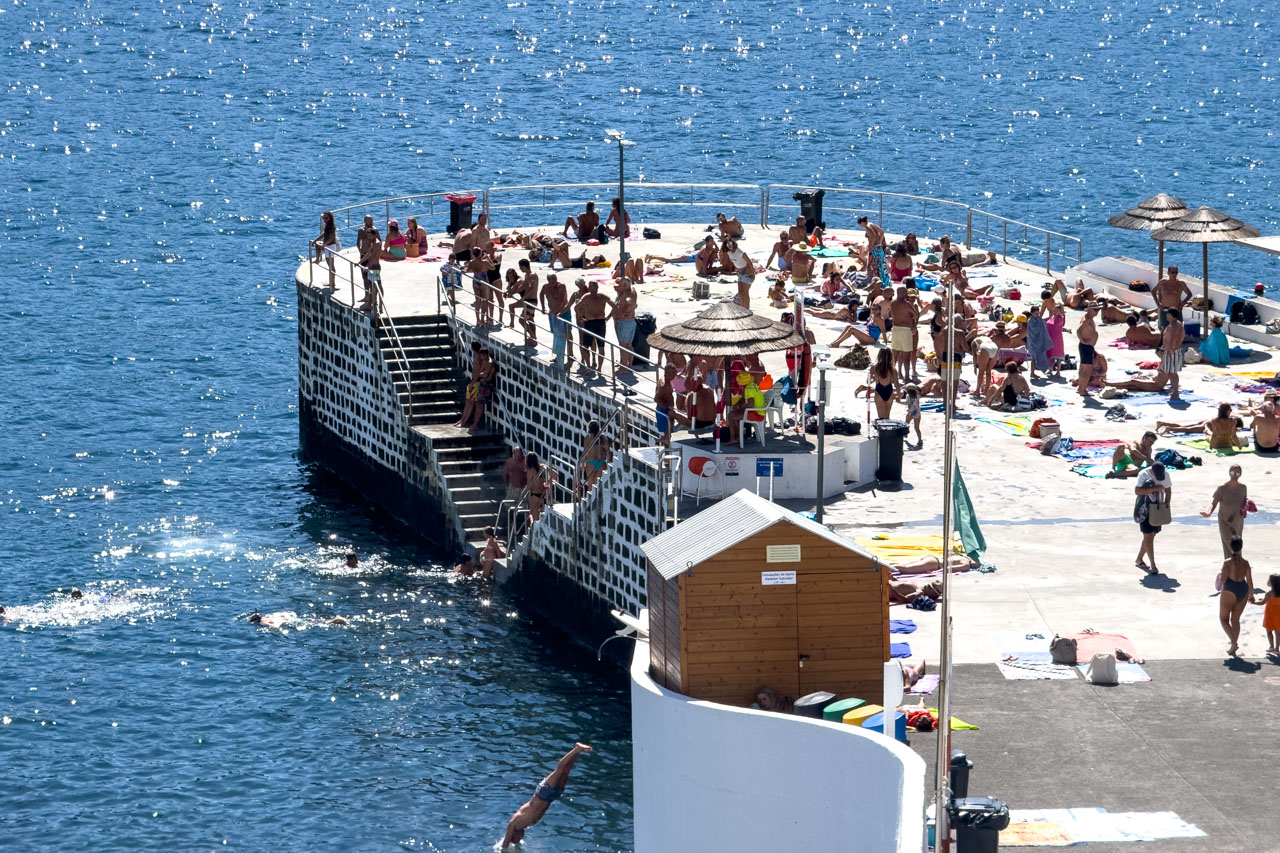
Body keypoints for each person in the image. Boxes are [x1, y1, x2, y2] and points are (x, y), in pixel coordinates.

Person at [501, 742, 593, 849]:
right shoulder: (525, 825)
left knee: (559, 770)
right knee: (566, 771)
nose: (521, 839)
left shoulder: (514, 823)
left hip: (542, 793)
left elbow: (505, 842)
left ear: (514, 835)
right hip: (551, 797)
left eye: (517, 840)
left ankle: (577, 748)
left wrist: (505, 849)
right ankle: (578, 751)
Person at [1218, 538, 1256, 657]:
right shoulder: (1246, 563)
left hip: (1230, 589)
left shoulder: (1227, 562)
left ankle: (1234, 643)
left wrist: (1219, 577)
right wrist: (1252, 595)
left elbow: (1223, 579)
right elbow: (1249, 581)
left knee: (1224, 619)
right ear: (1241, 547)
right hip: (1243, 590)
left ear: (1230, 547)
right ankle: (1233, 645)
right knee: (1235, 620)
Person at [1133, 461, 1172, 575]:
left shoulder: (1166, 475)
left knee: (1151, 536)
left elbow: (1168, 491)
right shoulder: (1144, 474)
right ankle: (1153, 564)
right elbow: (1137, 491)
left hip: (1158, 507)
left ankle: (1139, 559)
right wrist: (1154, 489)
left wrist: (1166, 505)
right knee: (1148, 536)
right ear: (1152, 470)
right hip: (1144, 508)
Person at [1201, 465, 1247, 558]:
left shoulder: (1243, 488)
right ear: (1229, 473)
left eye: (1237, 473)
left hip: (1238, 521)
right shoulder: (1222, 488)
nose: (1234, 475)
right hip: (1224, 521)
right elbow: (1213, 503)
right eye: (1232, 472)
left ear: (1240, 474)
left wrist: (1247, 507)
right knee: (1229, 545)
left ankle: (1239, 566)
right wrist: (1209, 512)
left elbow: (1244, 502)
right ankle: (1229, 567)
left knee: (1237, 546)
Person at [570, 280, 616, 372]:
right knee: (595, 346)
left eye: (592, 287)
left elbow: (576, 308)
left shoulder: (588, 297)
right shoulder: (601, 296)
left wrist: (581, 318)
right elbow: (615, 307)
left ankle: (592, 367)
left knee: (593, 346)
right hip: (598, 322)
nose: (591, 288)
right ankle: (594, 367)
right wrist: (608, 317)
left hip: (593, 322)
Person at [541, 273, 572, 370]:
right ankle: (558, 354)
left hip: (563, 313)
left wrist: (556, 312)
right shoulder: (545, 287)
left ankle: (570, 354)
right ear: (547, 279)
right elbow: (541, 294)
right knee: (556, 333)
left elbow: (564, 301)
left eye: (554, 278)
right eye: (551, 279)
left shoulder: (561, 286)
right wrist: (543, 307)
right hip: (553, 314)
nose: (553, 281)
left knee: (568, 334)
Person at [888, 285, 918, 379]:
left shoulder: (893, 303)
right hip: (905, 330)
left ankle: (891, 375)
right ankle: (907, 376)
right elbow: (915, 314)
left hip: (895, 328)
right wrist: (911, 318)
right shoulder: (907, 304)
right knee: (906, 354)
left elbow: (891, 315)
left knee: (895, 354)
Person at [1154, 265, 1191, 331]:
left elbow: (1189, 294)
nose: (1174, 274)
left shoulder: (1181, 284)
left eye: (1176, 272)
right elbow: (1153, 292)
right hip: (1165, 308)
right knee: (1164, 329)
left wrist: (1182, 304)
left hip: (1176, 309)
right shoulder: (1163, 282)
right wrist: (1158, 305)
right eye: (1172, 272)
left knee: (1178, 329)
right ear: (1168, 273)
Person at [857, 215, 891, 288]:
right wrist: (880, 242)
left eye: (860, 224)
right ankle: (885, 283)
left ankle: (874, 283)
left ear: (862, 222)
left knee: (873, 267)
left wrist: (871, 246)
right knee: (881, 266)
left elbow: (873, 236)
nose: (860, 225)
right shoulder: (871, 224)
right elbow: (882, 232)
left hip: (875, 249)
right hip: (879, 247)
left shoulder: (867, 227)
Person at [579, 420, 608, 496]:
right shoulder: (604, 438)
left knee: (590, 486)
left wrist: (582, 463)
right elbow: (608, 453)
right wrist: (608, 462)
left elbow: (585, 452)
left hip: (590, 463)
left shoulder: (587, 438)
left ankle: (590, 503)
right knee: (598, 485)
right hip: (601, 462)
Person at [724, 239, 755, 308]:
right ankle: (742, 309)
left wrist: (753, 274)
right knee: (740, 293)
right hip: (740, 273)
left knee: (745, 293)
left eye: (730, 244)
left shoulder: (740, 252)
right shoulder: (729, 253)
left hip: (747, 273)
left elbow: (749, 262)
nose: (730, 246)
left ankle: (747, 309)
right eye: (728, 245)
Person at [312, 210, 340, 286]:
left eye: (326, 218)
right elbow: (324, 234)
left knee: (331, 265)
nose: (325, 220)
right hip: (327, 245)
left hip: (330, 246)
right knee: (317, 244)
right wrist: (315, 241)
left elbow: (331, 238)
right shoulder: (327, 225)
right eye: (324, 218)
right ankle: (318, 259)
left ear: (330, 218)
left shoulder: (331, 226)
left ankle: (332, 282)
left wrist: (324, 245)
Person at [868, 348, 897, 420]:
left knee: (881, 418)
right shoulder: (893, 369)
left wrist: (874, 378)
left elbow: (868, 381)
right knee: (887, 417)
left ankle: (881, 430)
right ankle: (887, 431)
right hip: (889, 391)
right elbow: (896, 383)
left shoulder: (874, 367)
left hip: (879, 391)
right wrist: (899, 395)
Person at [1024, 304, 1052, 380]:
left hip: (1040, 342)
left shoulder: (1039, 320)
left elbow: (1043, 327)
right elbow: (1034, 330)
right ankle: (1032, 373)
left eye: (1038, 313)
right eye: (1035, 313)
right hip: (1033, 342)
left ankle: (1033, 373)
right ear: (1032, 313)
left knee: (1037, 358)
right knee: (1033, 358)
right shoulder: (1030, 321)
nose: (1037, 315)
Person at [525, 453, 555, 522]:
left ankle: (533, 531)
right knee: (542, 517)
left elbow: (529, 484)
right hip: (543, 495)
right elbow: (555, 474)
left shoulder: (530, 470)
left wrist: (524, 493)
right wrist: (547, 482)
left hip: (534, 494)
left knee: (534, 518)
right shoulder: (543, 467)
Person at [502, 446, 527, 517]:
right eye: (517, 454)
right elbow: (505, 474)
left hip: (524, 488)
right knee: (509, 506)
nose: (518, 456)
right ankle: (511, 523)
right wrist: (506, 487)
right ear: (513, 454)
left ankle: (526, 525)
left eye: (520, 454)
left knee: (525, 507)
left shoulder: (525, 462)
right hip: (513, 487)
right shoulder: (510, 462)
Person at [1260, 573, 1280, 655]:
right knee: (1277, 631)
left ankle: (1271, 646)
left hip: (1270, 615)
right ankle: (1277, 648)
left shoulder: (1269, 594)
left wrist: (1253, 602)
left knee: (1269, 631)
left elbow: (1262, 603)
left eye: (1269, 580)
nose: (1267, 582)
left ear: (1272, 583)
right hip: (1278, 615)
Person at [903, 383, 923, 447]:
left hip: (910, 412)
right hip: (917, 413)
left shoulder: (908, 396)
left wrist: (898, 401)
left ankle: (905, 433)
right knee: (917, 428)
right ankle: (920, 440)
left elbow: (906, 403)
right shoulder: (917, 395)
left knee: (906, 423)